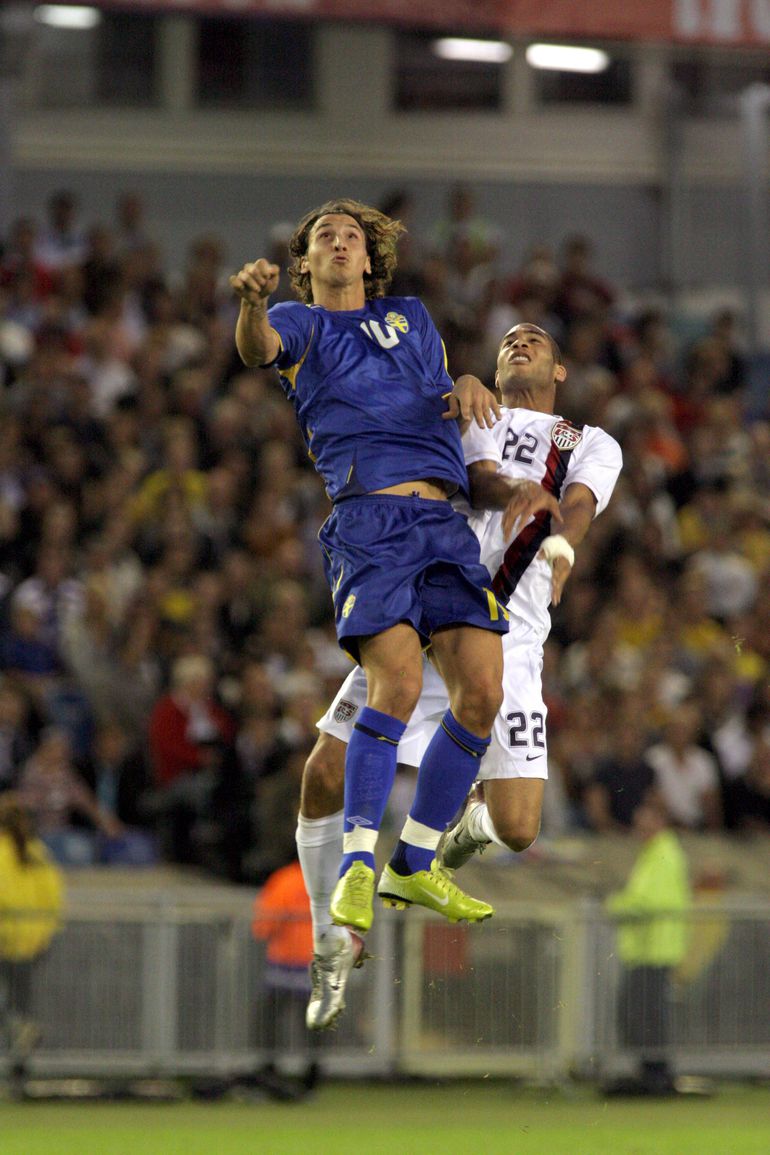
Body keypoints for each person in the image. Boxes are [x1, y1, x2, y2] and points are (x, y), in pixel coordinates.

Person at [231, 199, 543, 947]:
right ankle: (356, 863)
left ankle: (413, 860)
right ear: (306, 263)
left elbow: (439, 399)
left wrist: (468, 381)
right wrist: (251, 304)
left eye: (351, 237)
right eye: (324, 238)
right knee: (396, 686)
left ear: (370, 258)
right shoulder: (301, 323)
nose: (340, 243)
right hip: (371, 523)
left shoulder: (411, 317)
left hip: (444, 524)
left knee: (483, 693)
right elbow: (257, 347)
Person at [298, 322, 622, 1029]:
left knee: (519, 827)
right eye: (509, 339)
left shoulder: (588, 440)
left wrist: (563, 543)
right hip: (434, 615)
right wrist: (464, 390)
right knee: (322, 771)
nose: (520, 342)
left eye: (536, 339)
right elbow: (467, 479)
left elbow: (579, 504)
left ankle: (461, 829)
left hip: (516, 639)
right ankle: (329, 936)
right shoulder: (464, 409)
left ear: (561, 371)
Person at [604, 801, 692, 1096]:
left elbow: (648, 902)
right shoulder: (657, 852)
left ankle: (655, 1074)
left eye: (644, 822)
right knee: (643, 1014)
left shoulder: (663, 854)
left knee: (647, 1015)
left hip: (654, 949)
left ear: (659, 822)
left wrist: (614, 905)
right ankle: (652, 1072)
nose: (639, 829)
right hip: (649, 949)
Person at [0, 793, 64, 1091]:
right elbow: (53, 899)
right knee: (18, 1005)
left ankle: (18, 1053)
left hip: (6, 942)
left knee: (13, 1006)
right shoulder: (38, 852)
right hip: (32, 944)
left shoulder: (9, 851)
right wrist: (42, 935)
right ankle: (19, 1064)